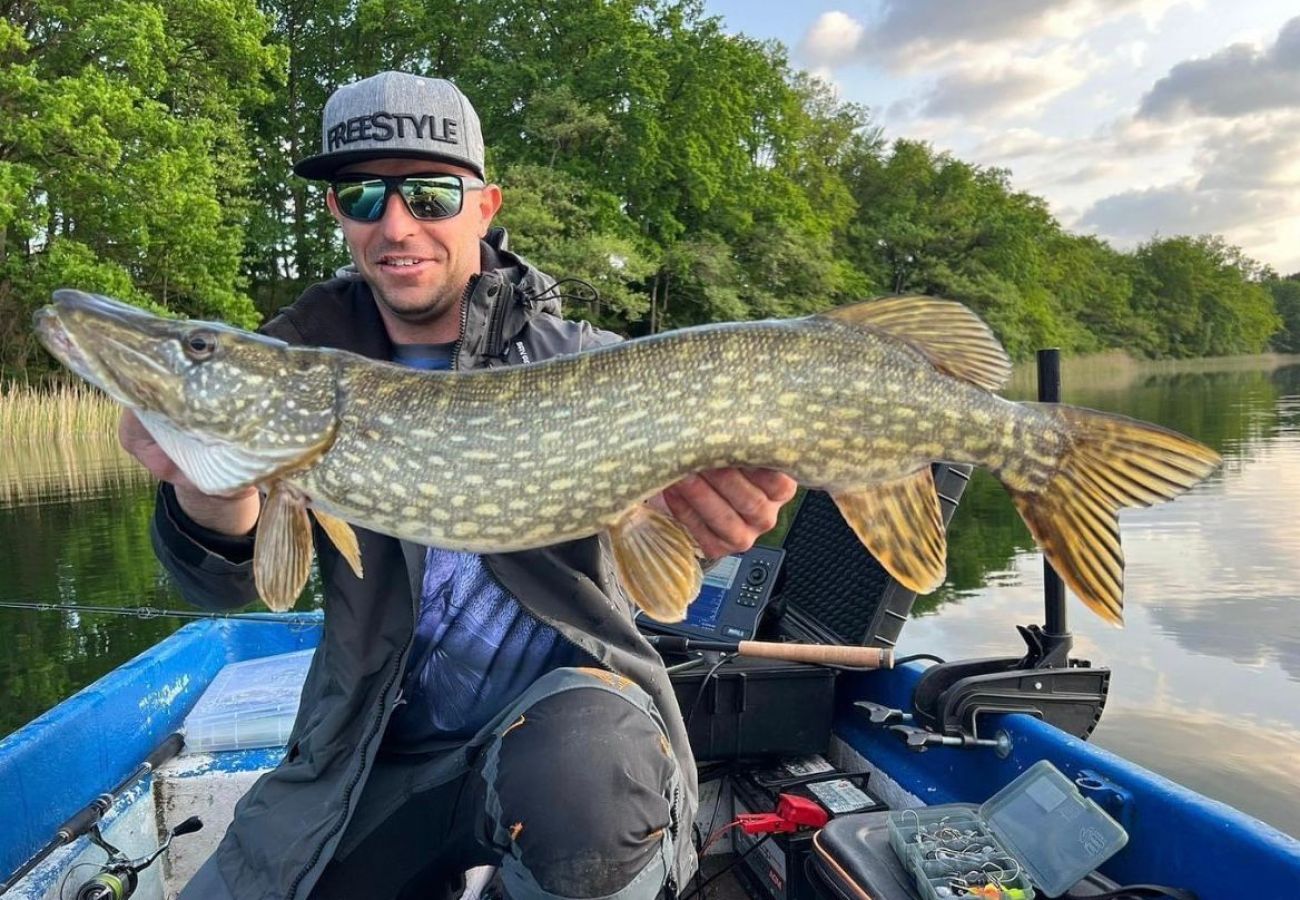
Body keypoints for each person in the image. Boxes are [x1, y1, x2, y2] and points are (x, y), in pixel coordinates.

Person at [121, 71, 796, 900]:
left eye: (432, 194)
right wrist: (213, 491)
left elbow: (667, 561)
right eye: (362, 195)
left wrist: (701, 529)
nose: (396, 224)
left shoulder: (588, 361)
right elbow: (226, 585)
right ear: (336, 212)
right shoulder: (302, 366)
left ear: (484, 205)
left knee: (587, 779)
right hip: (369, 755)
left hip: (567, 739)